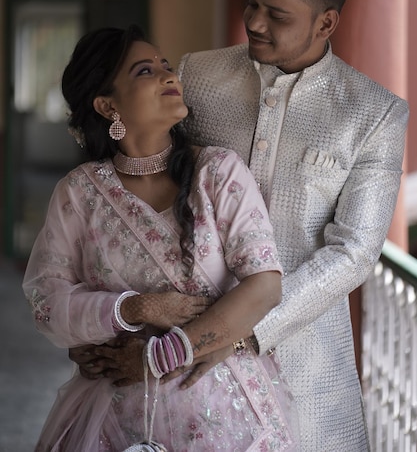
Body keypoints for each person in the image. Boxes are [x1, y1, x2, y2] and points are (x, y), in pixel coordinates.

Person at [70, 0, 409, 451]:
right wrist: (98, 317)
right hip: (175, 376)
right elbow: (135, 184)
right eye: (251, 3)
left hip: (304, 359)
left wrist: (229, 332)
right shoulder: (197, 77)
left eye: (277, 15)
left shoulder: (373, 113)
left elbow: (353, 253)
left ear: (327, 21)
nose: (253, 22)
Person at [22, 24, 300, 452]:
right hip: (113, 425)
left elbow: (265, 285)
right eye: (145, 71)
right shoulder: (79, 193)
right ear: (106, 104)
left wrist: (163, 355)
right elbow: (47, 303)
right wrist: (133, 308)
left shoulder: (217, 173)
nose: (170, 76)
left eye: (166, 66)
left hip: (227, 421)